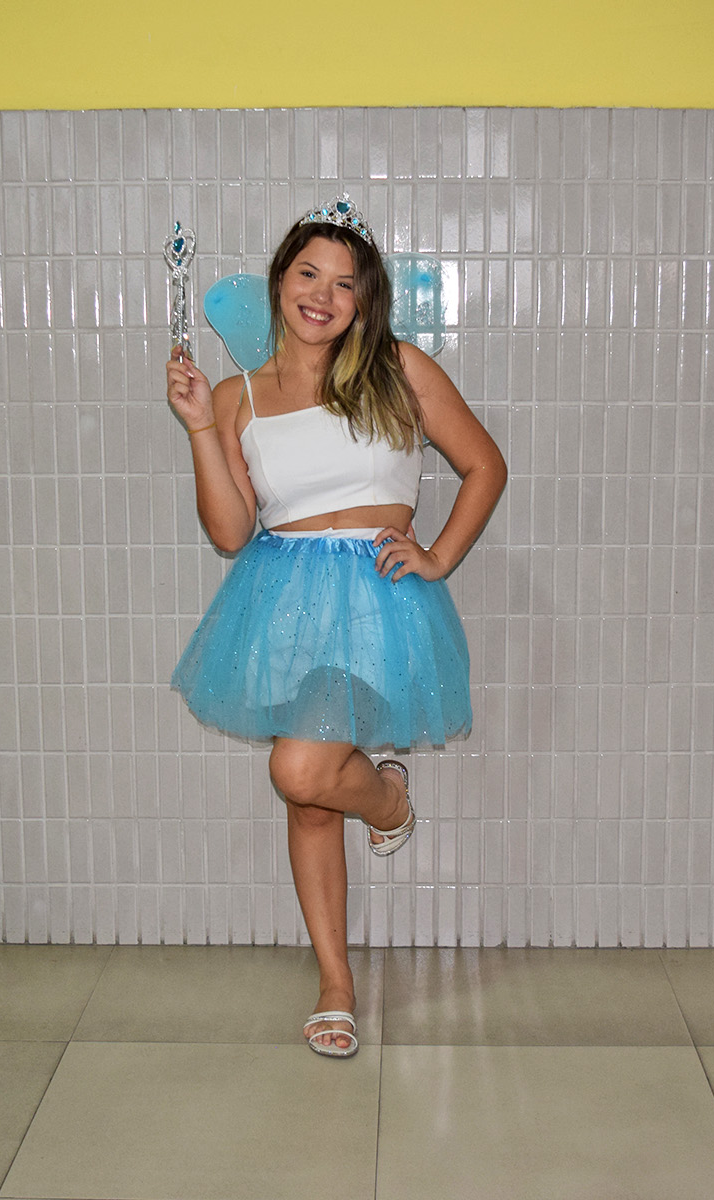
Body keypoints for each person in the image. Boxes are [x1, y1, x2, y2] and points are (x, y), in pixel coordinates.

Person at [165, 195, 505, 1058]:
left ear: (364, 299)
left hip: (377, 600)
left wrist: (437, 555)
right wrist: (201, 426)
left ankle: (388, 799)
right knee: (310, 796)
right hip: (282, 601)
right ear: (280, 281)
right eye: (308, 274)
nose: (322, 295)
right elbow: (230, 532)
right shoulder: (239, 396)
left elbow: (484, 465)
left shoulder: (397, 368)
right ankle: (335, 983)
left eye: (344, 283)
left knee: (302, 768)